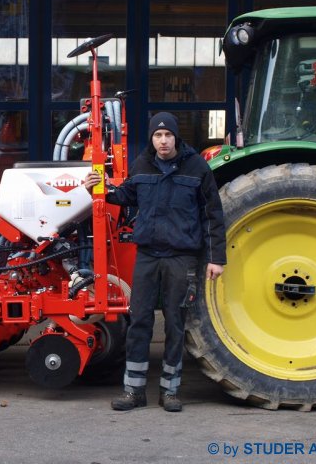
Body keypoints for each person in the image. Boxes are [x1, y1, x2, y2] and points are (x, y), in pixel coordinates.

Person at [84, 111, 226, 412]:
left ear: (176, 137)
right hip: (147, 256)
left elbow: (213, 215)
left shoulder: (197, 167)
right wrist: (100, 188)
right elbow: (126, 196)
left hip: (181, 257)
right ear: (152, 138)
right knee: (140, 321)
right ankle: (134, 391)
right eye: (157, 136)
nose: (163, 141)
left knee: (175, 323)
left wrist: (216, 259)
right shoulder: (142, 165)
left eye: (168, 135)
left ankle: (170, 391)